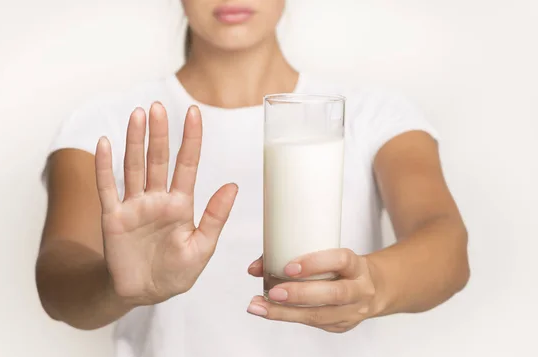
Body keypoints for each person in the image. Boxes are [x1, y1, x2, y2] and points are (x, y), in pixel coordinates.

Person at [36, 1, 470, 356]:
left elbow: (446, 243)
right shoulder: (107, 125)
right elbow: (59, 279)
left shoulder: (373, 114)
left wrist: (375, 285)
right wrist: (118, 286)